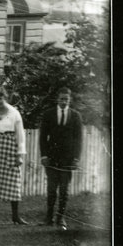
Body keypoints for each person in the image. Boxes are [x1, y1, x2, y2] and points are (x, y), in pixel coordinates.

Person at [39, 87, 84, 229]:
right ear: (57, 99)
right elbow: (42, 137)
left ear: (70, 100)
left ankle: (61, 217)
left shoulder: (75, 116)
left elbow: (79, 139)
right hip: (51, 159)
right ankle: (48, 217)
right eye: (61, 99)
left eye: (66, 99)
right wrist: (44, 155)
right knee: (51, 189)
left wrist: (76, 158)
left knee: (64, 190)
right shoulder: (48, 114)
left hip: (67, 160)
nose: (63, 101)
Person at [0, 88, 29, 225]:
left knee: (13, 182)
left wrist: (20, 154)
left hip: (11, 147)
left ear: (5, 98)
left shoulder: (14, 113)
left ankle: (15, 216)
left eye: (0, 98)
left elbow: (20, 135)